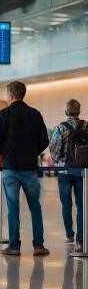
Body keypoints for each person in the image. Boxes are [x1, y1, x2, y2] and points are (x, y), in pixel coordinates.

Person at [0, 81, 50, 256]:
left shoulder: (3, 114)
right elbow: (44, 141)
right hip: (30, 167)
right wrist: (32, 152)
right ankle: (38, 245)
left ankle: (14, 246)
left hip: (10, 167)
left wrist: (7, 153)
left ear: (10, 96)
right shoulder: (35, 114)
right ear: (23, 94)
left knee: (13, 207)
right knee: (35, 206)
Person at [49, 99, 87, 252]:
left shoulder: (60, 128)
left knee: (66, 204)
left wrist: (59, 161)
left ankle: (69, 235)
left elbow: (54, 150)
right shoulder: (86, 126)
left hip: (65, 171)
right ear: (79, 111)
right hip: (83, 172)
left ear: (66, 112)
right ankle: (81, 240)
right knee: (82, 205)